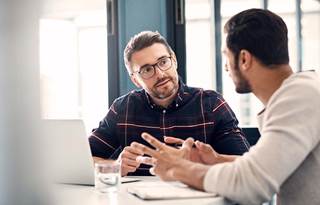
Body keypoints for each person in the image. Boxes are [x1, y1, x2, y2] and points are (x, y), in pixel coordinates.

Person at [132, 9, 320, 205]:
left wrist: (178, 169)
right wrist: (213, 160)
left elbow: (251, 184)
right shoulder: (300, 93)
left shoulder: (299, 97)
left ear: (244, 59)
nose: (226, 68)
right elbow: (266, 167)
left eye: (226, 55)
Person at [88, 31, 250, 176]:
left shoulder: (211, 104)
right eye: (146, 70)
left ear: (174, 60)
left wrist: (204, 160)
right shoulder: (122, 108)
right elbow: (83, 160)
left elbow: (245, 165)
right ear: (135, 80)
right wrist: (115, 166)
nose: (160, 73)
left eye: (163, 62)